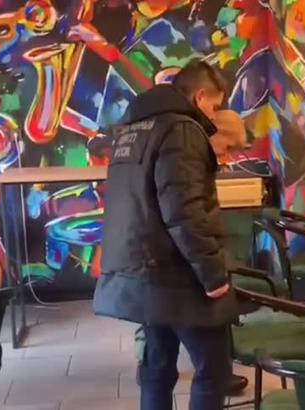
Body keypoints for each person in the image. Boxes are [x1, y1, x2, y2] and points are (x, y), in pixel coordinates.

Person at [93, 60, 245, 410]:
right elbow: (184, 210)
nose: (213, 116)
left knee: (157, 368)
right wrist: (213, 276)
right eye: (214, 107)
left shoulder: (133, 128)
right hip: (176, 273)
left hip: (143, 269)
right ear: (200, 95)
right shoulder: (182, 130)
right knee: (214, 369)